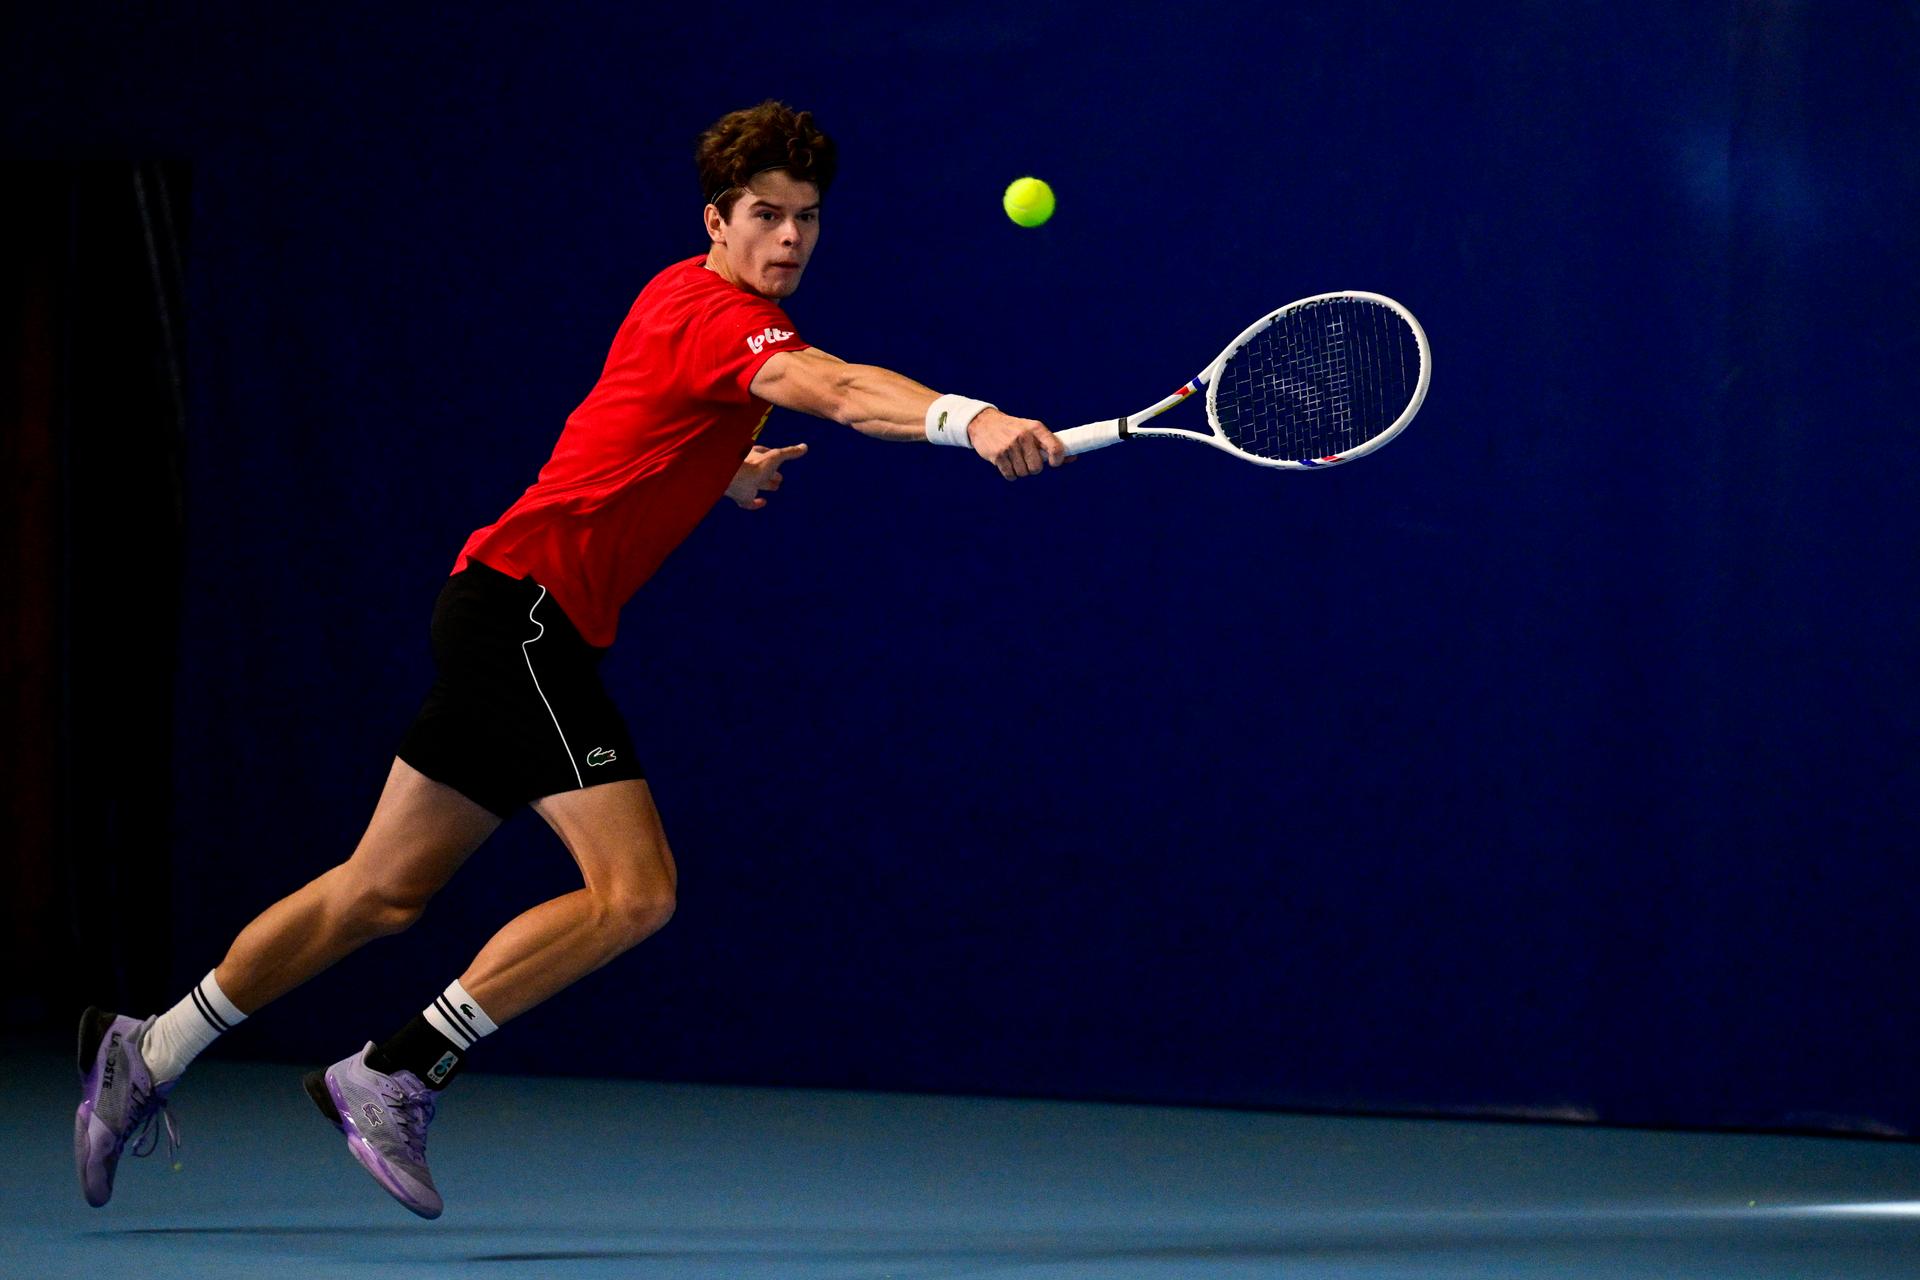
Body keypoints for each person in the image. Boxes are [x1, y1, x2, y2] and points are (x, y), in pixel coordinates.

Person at [73, 100, 1069, 1219]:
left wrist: (719, 469)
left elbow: (639, 430)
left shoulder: (676, 297)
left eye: (807, 218)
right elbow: (835, 389)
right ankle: (398, 1066)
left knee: (379, 890)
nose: (789, 237)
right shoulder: (715, 310)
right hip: (527, 619)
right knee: (636, 893)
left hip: (495, 603)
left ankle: (147, 1047)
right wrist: (969, 416)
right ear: (717, 220)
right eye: (765, 215)